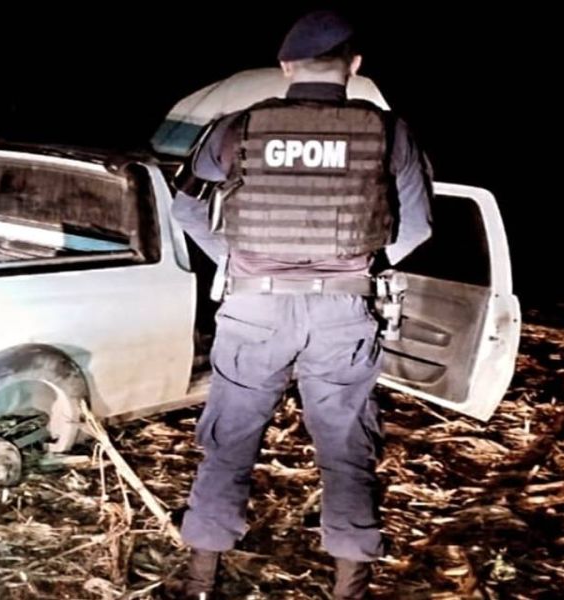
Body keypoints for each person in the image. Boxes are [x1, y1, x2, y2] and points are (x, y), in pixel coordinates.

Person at [169, 9, 434, 599]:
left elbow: (185, 206)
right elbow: (414, 229)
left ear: (286, 67)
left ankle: (199, 581)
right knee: (345, 448)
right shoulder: (389, 132)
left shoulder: (239, 125)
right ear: (354, 67)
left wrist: (238, 264)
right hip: (343, 313)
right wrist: (354, 267)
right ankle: (349, 585)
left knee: (229, 442)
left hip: (253, 310)